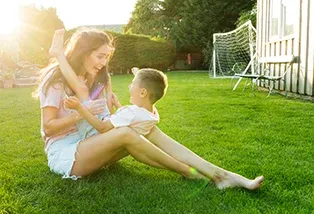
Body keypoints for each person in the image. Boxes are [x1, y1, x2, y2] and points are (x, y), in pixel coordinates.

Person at [34, 28, 264, 190]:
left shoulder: (98, 79)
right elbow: (48, 128)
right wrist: (79, 113)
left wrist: (114, 112)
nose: (104, 62)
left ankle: (221, 174)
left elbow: (105, 119)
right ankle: (188, 172)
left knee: (146, 128)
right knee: (126, 132)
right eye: (100, 56)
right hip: (65, 154)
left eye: (107, 56)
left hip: (93, 141)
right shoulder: (55, 81)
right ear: (84, 53)